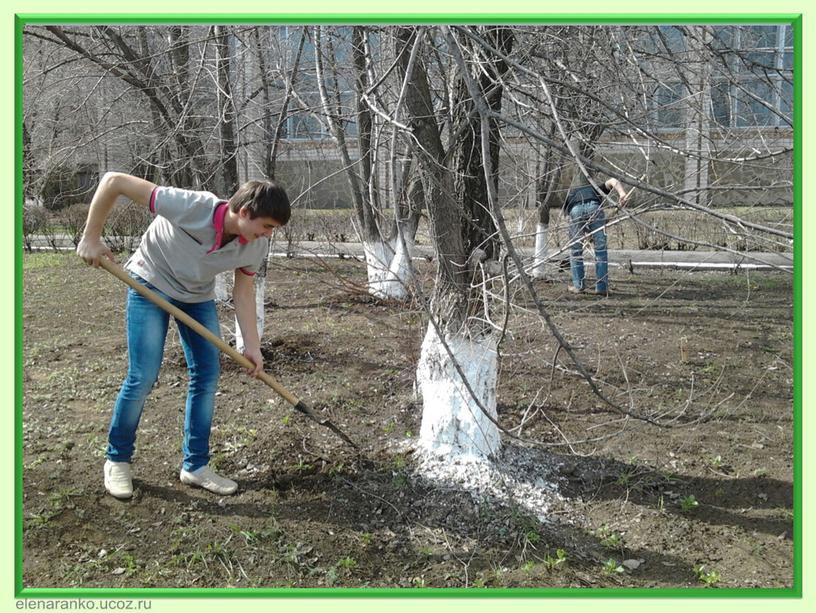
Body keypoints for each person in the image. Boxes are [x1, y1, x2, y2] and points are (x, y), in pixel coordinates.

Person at [77, 172, 290, 499]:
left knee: (207, 375)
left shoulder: (254, 246)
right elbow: (112, 181)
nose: (268, 235)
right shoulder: (193, 206)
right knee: (144, 375)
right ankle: (117, 460)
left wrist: (251, 346)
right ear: (245, 212)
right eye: (268, 226)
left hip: (195, 297)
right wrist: (92, 236)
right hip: (149, 284)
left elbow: (243, 293)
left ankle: (195, 466)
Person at [563, 173, 629, 296]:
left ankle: (578, 286)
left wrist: (583, 234)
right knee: (600, 250)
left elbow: (568, 218)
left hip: (575, 209)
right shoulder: (596, 188)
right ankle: (601, 288)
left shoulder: (570, 194)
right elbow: (613, 180)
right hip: (595, 208)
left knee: (575, 250)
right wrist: (622, 194)